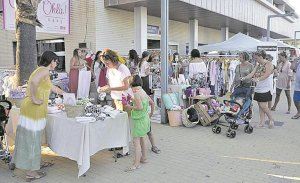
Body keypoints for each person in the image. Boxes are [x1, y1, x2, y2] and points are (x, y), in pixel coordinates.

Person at [13, 51, 65, 182]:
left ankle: (36, 164)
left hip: (33, 109)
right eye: (55, 60)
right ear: (50, 60)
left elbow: (51, 87)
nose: (56, 63)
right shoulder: (44, 71)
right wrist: (35, 99)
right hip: (33, 110)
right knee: (33, 140)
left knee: (33, 139)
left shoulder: (42, 70)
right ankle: (31, 172)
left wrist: (65, 94)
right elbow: (33, 83)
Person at [125, 75, 154, 172]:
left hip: (139, 120)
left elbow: (140, 107)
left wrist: (130, 106)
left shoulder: (137, 93)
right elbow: (148, 103)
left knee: (136, 142)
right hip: (144, 118)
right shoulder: (142, 91)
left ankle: (136, 164)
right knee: (142, 139)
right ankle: (144, 158)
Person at [242, 50, 274, 128]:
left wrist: (258, 79)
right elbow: (252, 73)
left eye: (256, 58)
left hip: (266, 88)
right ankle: (261, 123)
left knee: (263, 105)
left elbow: (266, 75)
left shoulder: (269, 64)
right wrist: (244, 78)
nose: (255, 60)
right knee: (260, 105)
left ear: (261, 57)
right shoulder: (258, 64)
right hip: (258, 88)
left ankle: (271, 119)